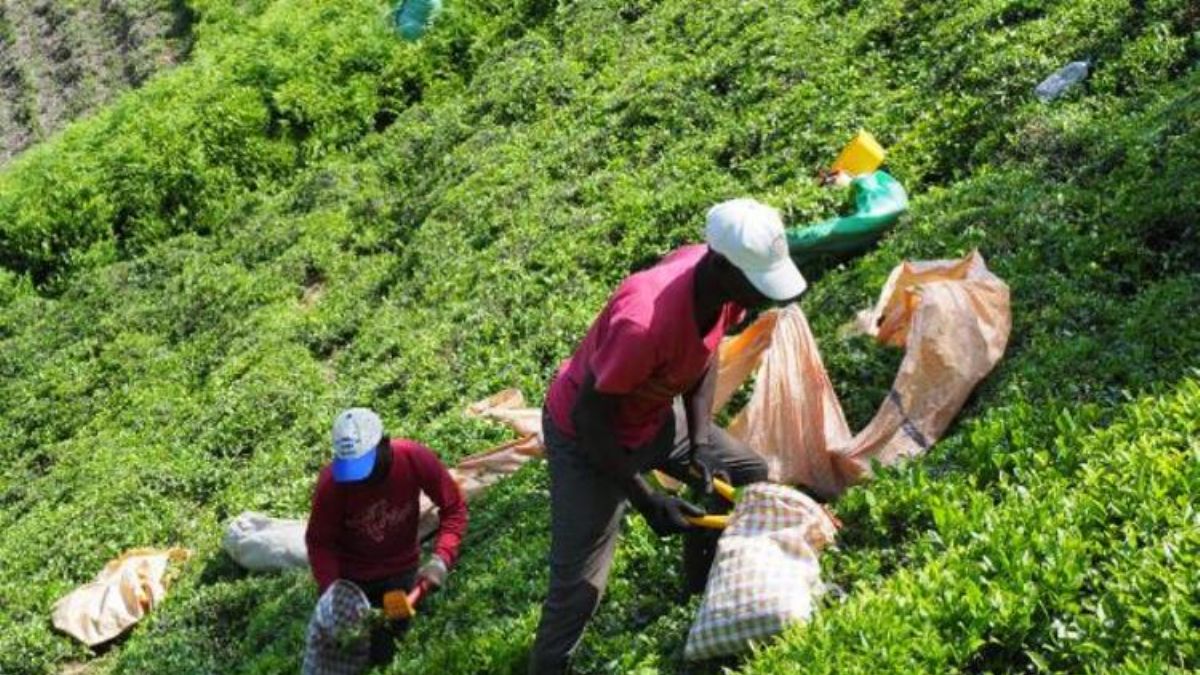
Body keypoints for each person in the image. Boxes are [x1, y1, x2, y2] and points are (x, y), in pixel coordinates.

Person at [529, 199, 807, 674]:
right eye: (757, 283)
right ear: (721, 265)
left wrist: (698, 443)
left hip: (654, 416)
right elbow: (591, 417)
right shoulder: (644, 323)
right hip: (587, 437)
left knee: (743, 473)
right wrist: (647, 498)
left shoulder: (722, 284)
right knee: (578, 589)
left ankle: (699, 587)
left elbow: (706, 351)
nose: (762, 297)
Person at [305, 408, 468, 667]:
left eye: (364, 466)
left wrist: (441, 558)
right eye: (353, 469)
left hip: (401, 573)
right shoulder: (333, 483)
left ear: (384, 443)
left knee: (388, 651)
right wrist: (331, 592)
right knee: (342, 652)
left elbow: (454, 508)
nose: (360, 477)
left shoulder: (414, 458)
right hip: (352, 583)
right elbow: (320, 542)